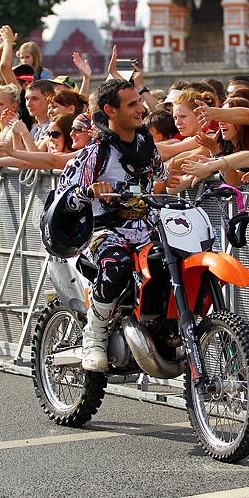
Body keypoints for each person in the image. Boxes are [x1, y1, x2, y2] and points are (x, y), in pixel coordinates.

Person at [50, 78, 175, 372]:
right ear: (110, 110)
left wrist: (176, 177)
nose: (142, 109)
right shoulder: (96, 153)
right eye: (132, 104)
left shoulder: (146, 143)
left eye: (139, 102)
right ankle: (94, 336)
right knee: (116, 263)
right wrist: (89, 192)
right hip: (103, 231)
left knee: (176, 257)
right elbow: (65, 197)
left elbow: (161, 173)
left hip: (146, 227)